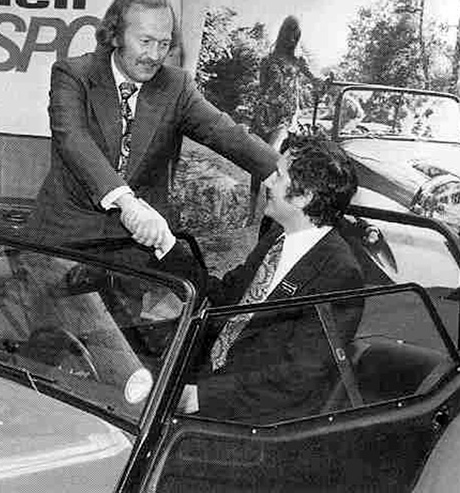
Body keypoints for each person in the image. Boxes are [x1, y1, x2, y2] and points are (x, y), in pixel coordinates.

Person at [26, 0, 280, 253]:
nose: (155, 55)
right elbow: (74, 141)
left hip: (136, 245)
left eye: (164, 44)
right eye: (145, 42)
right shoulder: (73, 74)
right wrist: (127, 202)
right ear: (115, 36)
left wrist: (285, 174)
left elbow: (223, 132)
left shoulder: (176, 85)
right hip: (65, 234)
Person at [155, 135, 365, 423]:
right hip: (213, 382)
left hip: (257, 418)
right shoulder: (275, 238)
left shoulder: (339, 272)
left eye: (278, 177)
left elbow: (300, 376)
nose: (267, 183)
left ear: (304, 197)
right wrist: (166, 245)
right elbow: (224, 297)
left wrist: (200, 396)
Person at [247, 15, 326, 222]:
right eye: (290, 33)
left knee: (270, 156)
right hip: (265, 114)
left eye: (296, 34)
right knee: (257, 163)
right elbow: (263, 87)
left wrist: (325, 82)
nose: (293, 38)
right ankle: (251, 209)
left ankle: (273, 209)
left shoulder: (299, 60)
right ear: (283, 34)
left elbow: (316, 81)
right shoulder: (268, 60)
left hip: (285, 116)